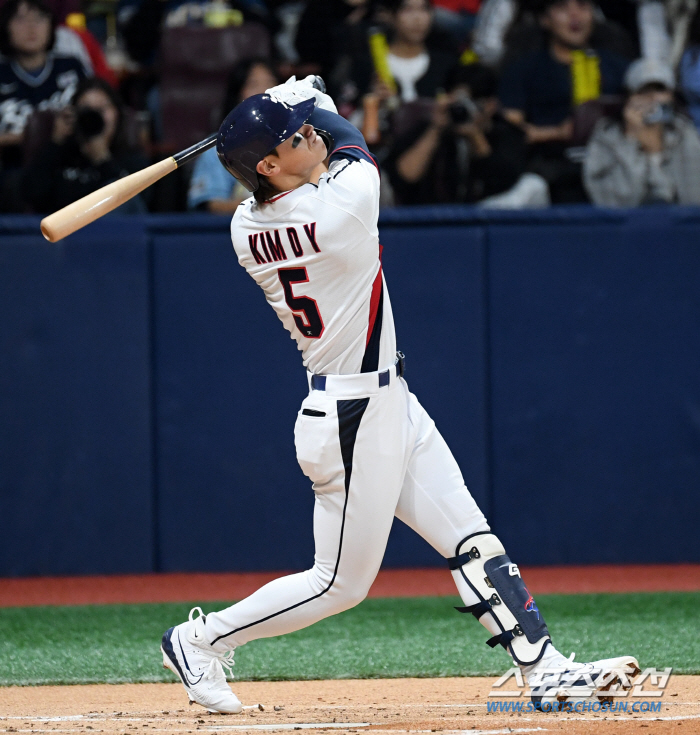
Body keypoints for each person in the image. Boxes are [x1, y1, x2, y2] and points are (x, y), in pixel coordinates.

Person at [160, 75, 640, 715]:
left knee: (469, 536)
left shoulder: (246, 225)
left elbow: (301, 155)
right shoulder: (343, 206)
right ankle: (199, 639)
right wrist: (319, 102)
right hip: (353, 415)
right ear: (270, 165)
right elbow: (348, 140)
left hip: (384, 402)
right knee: (339, 584)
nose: (310, 137)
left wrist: (284, 112)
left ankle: (545, 670)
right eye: (292, 138)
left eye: (303, 129)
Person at [498, 0, 629, 202]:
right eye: (562, 7)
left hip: (610, 164)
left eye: (583, 5)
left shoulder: (618, 68)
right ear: (545, 20)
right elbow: (508, 133)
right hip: (547, 166)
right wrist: (558, 133)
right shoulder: (524, 70)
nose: (574, 15)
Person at [385, 63, 527, 204]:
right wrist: (435, 130)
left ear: (491, 105)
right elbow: (404, 178)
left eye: (472, 102)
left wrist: (476, 137)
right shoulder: (429, 128)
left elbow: (504, 184)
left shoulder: (505, 132)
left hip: (489, 216)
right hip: (433, 215)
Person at [583, 58, 700, 206]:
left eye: (659, 89)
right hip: (624, 225)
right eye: (644, 91)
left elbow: (691, 199)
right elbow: (617, 201)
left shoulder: (683, 132)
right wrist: (631, 139)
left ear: (671, 96)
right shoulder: (607, 134)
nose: (652, 98)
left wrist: (654, 153)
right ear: (629, 97)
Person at [21, 77, 149, 213]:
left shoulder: (133, 160)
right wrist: (55, 142)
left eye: (101, 110)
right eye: (86, 110)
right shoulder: (59, 154)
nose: (94, 116)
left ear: (117, 114)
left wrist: (102, 160)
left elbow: (137, 208)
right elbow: (31, 196)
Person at [0, 0, 88, 163]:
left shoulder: (71, 66)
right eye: (20, 19)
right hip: (14, 169)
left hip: (72, 162)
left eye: (40, 18)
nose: (31, 27)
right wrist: (33, 136)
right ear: (6, 26)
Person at [188, 58, 278, 214]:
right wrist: (270, 204)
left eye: (271, 82)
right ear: (238, 94)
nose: (265, 91)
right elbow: (212, 205)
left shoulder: (301, 139)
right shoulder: (218, 146)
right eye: (254, 84)